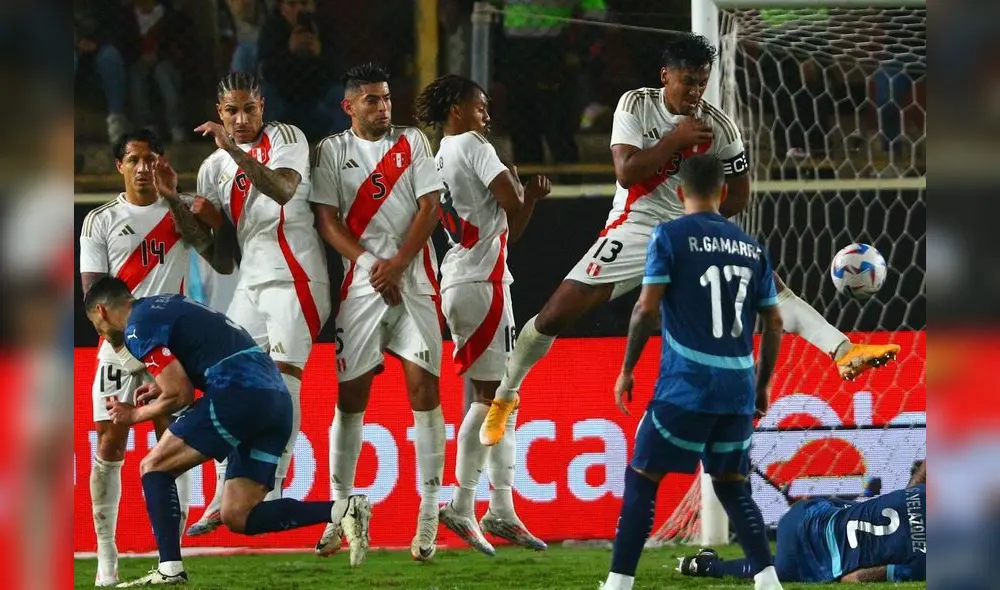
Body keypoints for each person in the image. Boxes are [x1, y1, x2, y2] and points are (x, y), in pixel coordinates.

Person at [480, 34, 901, 447]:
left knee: (766, 285)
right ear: (666, 76)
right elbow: (626, 173)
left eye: (702, 81)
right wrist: (675, 141)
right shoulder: (636, 105)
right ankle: (506, 396)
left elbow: (740, 194)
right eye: (688, 81)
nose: (696, 91)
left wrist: (701, 219)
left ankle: (843, 350)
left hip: (692, 224)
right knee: (557, 313)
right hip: (637, 226)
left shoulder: (720, 128)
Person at [83, 279, 370, 586]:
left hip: (238, 393)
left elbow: (179, 395)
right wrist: (159, 386)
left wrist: (133, 415)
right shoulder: (166, 303)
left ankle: (169, 568)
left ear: (101, 310)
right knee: (238, 514)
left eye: (97, 326)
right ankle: (344, 508)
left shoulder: (136, 327)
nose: (101, 334)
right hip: (275, 399)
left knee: (153, 466)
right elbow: (202, 352)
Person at [600, 154, 784, 590]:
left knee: (644, 474)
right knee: (732, 483)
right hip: (738, 387)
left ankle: (618, 584)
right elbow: (774, 323)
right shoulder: (752, 247)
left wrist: (627, 369)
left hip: (687, 385)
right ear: (723, 192)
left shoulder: (669, 235)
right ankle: (768, 579)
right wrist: (761, 386)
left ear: (680, 192)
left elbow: (646, 309)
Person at [78, 129, 233, 586]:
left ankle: (172, 551)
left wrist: (178, 201)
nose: (142, 167)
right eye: (133, 160)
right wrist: (125, 352)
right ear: (119, 167)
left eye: (150, 159)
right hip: (120, 349)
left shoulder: (179, 210)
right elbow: (93, 297)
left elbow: (219, 260)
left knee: (174, 446)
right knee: (109, 445)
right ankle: (107, 555)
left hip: (171, 350)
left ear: (161, 163)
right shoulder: (100, 220)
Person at [182, 71, 332, 536]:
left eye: (249, 108)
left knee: (284, 382)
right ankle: (220, 493)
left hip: (297, 277)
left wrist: (232, 149)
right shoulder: (212, 169)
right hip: (249, 283)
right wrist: (182, 206)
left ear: (263, 106)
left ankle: (272, 484)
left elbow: (284, 190)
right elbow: (222, 258)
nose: (241, 119)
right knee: (226, 383)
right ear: (218, 110)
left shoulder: (287, 137)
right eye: (231, 111)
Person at [310, 62, 445, 564]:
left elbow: (431, 206)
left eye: (386, 97)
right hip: (361, 288)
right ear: (349, 106)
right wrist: (373, 265)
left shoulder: (414, 142)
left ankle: (429, 514)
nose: (382, 106)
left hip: (414, 283)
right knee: (350, 400)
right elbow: (325, 221)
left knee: (424, 391)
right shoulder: (330, 151)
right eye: (371, 99)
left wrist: (399, 264)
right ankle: (338, 512)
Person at [413, 74, 549, 554]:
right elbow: (511, 209)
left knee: (503, 401)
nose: (486, 116)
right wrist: (523, 191)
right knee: (492, 400)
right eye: (479, 106)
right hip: (479, 282)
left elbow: (505, 227)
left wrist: (523, 198)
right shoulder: (472, 144)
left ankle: (503, 508)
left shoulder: (439, 158)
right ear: (456, 110)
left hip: (473, 277)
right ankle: (463, 504)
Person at [679, 462, 927, 583]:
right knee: (777, 571)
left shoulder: (925, 494)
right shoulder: (929, 563)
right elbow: (856, 578)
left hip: (803, 513)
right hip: (805, 559)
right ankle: (706, 566)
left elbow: (914, 483)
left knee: (855, 508)